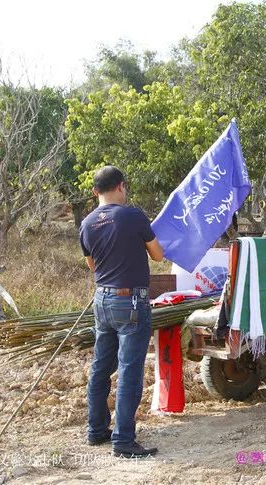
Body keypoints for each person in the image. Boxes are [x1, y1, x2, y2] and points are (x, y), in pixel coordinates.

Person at [79, 166, 164, 458]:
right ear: (121, 186)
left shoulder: (87, 223)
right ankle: (124, 441)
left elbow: (93, 267)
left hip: (102, 301)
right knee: (129, 371)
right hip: (131, 302)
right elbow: (157, 254)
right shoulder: (133, 216)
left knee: (101, 368)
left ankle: (97, 431)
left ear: (95, 192)